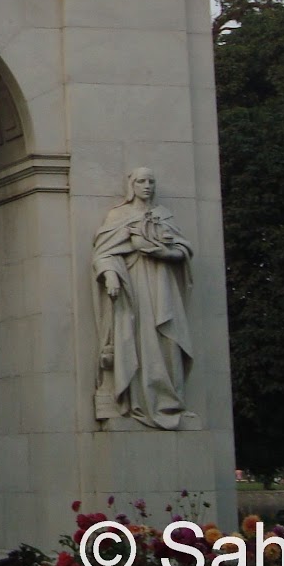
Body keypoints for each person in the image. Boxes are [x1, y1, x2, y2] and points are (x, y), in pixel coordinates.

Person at [92, 167, 195, 429]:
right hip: (134, 287)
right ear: (132, 186)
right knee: (138, 341)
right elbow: (103, 252)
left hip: (164, 287)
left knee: (167, 341)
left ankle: (169, 402)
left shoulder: (163, 216)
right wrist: (111, 276)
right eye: (141, 181)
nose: (147, 186)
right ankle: (137, 400)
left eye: (151, 181)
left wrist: (169, 254)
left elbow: (183, 248)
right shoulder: (119, 216)